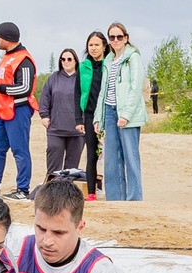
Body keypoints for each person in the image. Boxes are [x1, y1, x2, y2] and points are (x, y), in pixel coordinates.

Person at [0, 22, 38, 201]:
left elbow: (26, 88)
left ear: (7, 38)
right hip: (1, 111)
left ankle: (22, 189)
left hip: (18, 110)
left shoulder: (24, 59)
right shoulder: (5, 58)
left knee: (20, 150)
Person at [93, 22, 147, 201]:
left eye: (119, 37)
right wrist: (98, 117)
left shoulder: (133, 57)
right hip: (109, 111)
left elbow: (136, 87)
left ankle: (133, 199)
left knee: (131, 158)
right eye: (112, 37)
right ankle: (115, 199)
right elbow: (103, 90)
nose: (115, 40)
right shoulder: (108, 60)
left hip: (127, 114)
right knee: (111, 160)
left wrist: (126, 115)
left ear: (126, 38)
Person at [38, 48, 86, 177]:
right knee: (53, 167)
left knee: (71, 169)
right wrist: (44, 115)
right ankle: (50, 193)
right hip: (55, 129)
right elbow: (45, 97)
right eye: (63, 59)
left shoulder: (83, 79)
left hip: (77, 130)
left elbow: (89, 100)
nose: (66, 62)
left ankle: (67, 195)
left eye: (69, 59)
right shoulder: (54, 78)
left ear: (75, 61)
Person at [79, 31, 108, 199]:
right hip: (89, 115)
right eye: (91, 45)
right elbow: (78, 93)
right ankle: (91, 193)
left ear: (104, 46)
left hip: (108, 114)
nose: (94, 48)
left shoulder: (109, 64)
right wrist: (79, 118)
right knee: (91, 154)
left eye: (97, 44)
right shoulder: (83, 66)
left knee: (110, 154)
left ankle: (113, 191)